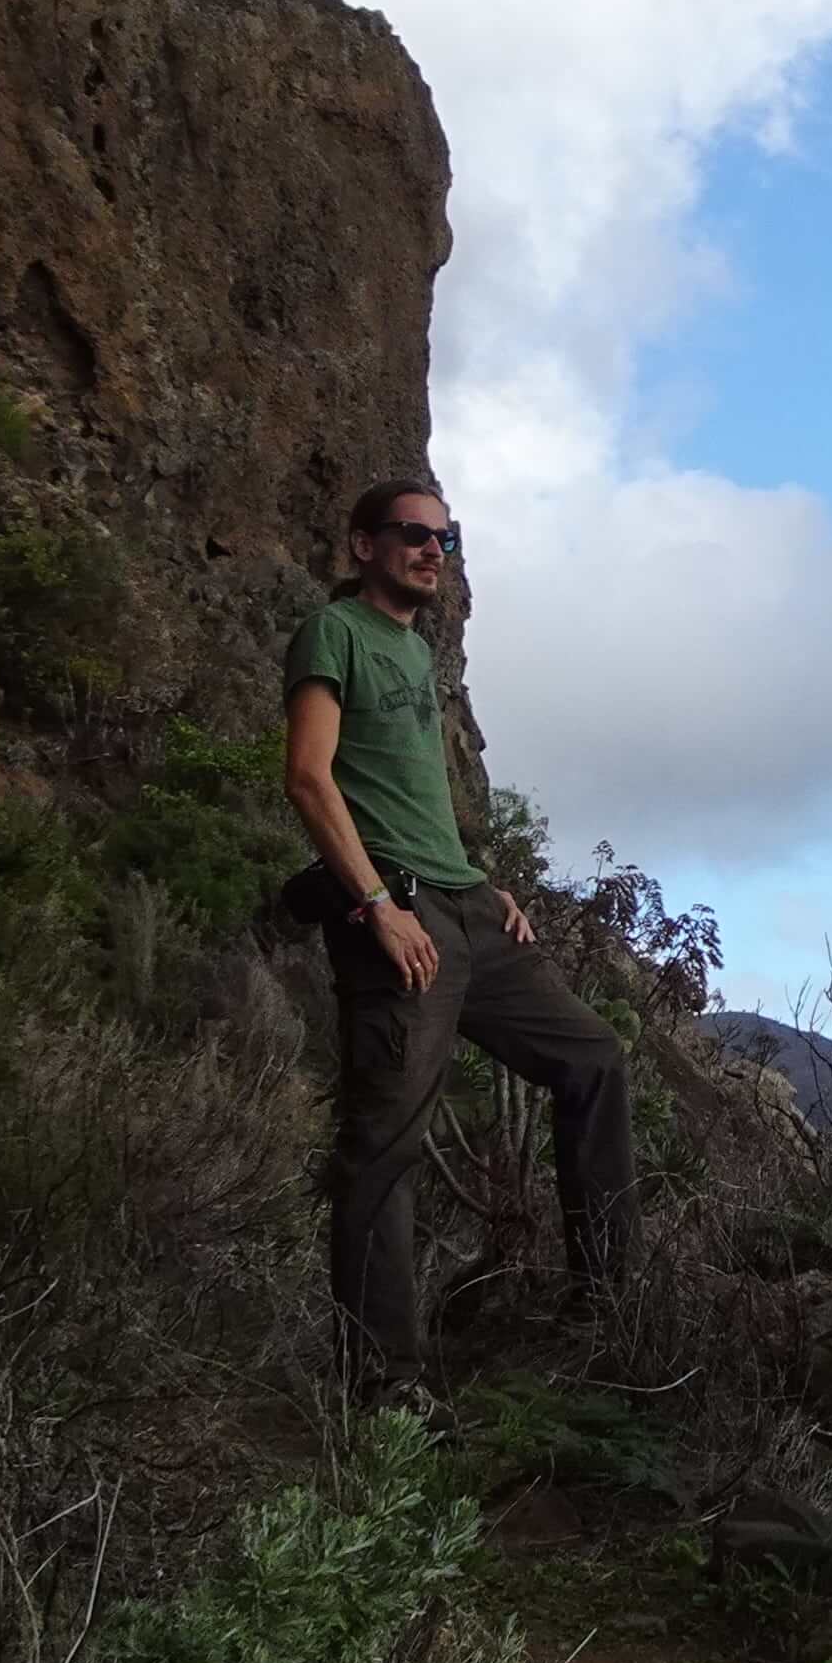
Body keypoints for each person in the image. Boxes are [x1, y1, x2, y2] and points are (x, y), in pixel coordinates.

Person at [281, 477, 634, 1386]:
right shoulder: (339, 633)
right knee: (386, 1139)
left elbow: (423, 798)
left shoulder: (415, 657)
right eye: (413, 534)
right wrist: (375, 906)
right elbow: (312, 779)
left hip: (467, 907)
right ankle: (387, 1381)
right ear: (364, 545)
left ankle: (612, 1303)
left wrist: (485, 883)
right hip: (397, 914)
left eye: (446, 538)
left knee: (594, 1059)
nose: (434, 550)